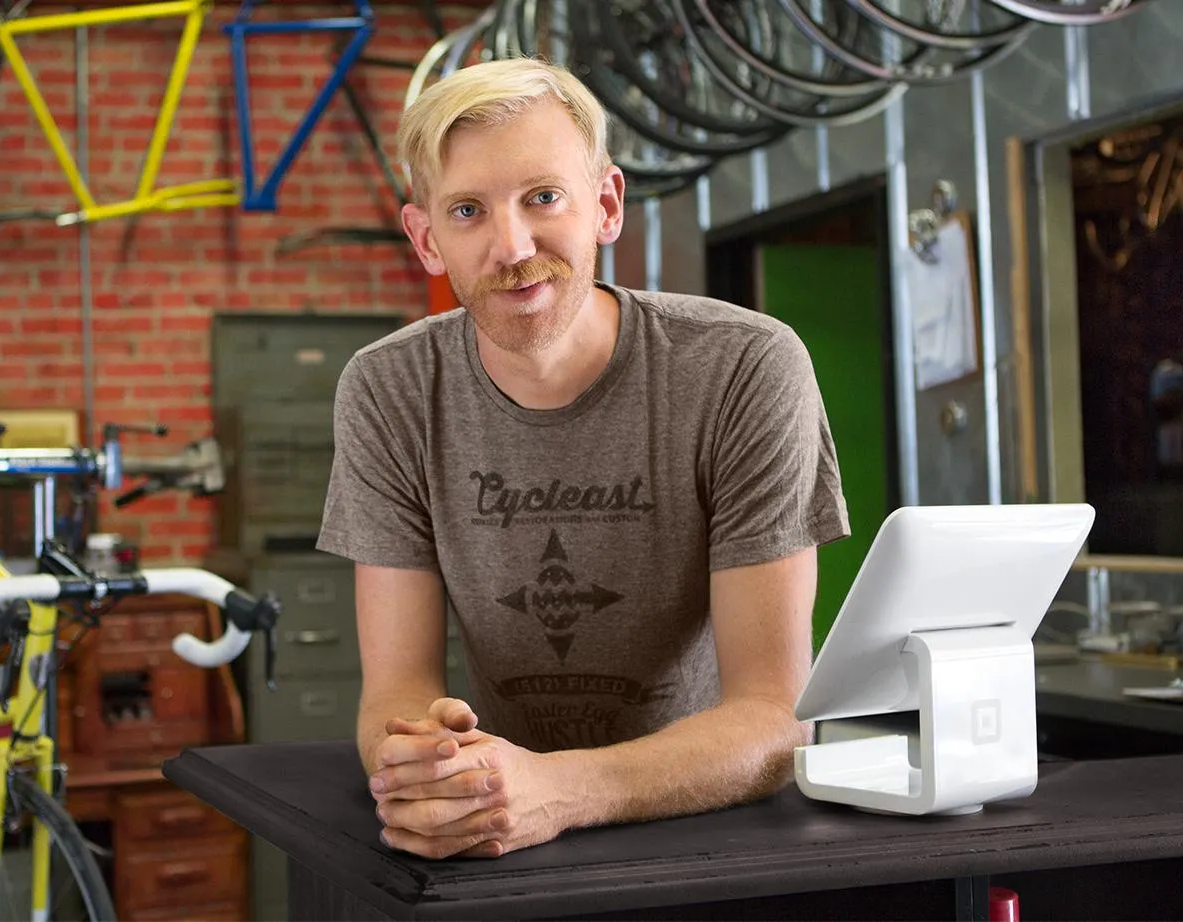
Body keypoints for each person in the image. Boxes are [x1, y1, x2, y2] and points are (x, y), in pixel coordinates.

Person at [314, 56, 851, 861]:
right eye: (467, 210)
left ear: (605, 205)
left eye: (543, 197)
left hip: (712, 835)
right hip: (508, 831)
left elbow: (775, 716)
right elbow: (394, 691)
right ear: (427, 240)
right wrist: (417, 763)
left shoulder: (744, 367)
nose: (512, 245)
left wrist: (561, 790)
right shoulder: (388, 390)